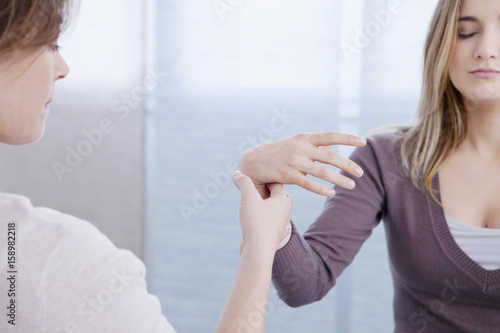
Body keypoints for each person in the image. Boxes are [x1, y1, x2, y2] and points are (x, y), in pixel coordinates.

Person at [0, 1, 366, 332]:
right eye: (50, 44)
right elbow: (307, 284)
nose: (63, 68)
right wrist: (262, 244)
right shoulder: (58, 260)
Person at [239, 0, 500, 331]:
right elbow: (304, 285)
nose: (487, 49)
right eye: (466, 32)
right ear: (442, 45)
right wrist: (260, 184)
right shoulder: (386, 158)